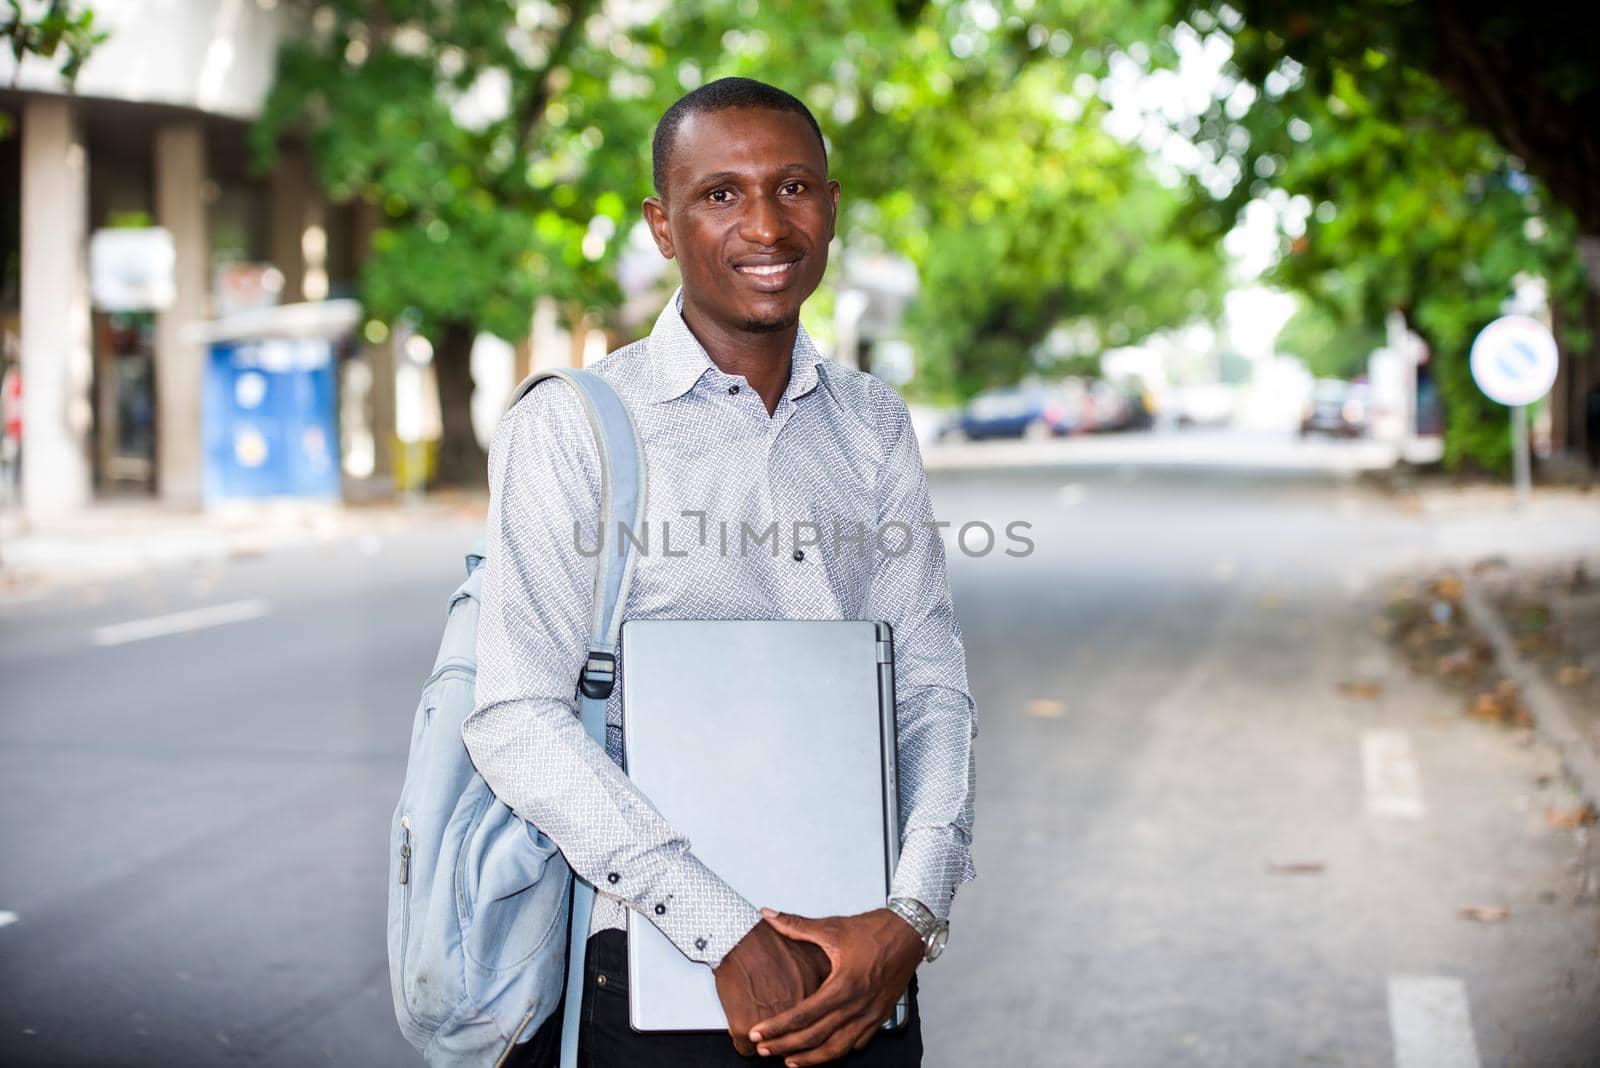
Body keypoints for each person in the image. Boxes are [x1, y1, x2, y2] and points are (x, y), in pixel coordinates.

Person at [466, 77, 976, 1068]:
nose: (765, 225)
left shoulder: (872, 424)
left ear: (829, 207)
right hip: (662, 972)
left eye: (792, 188)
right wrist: (725, 932)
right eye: (719, 195)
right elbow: (516, 714)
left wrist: (913, 912)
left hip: (860, 968)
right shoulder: (574, 425)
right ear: (663, 225)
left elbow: (928, 691)